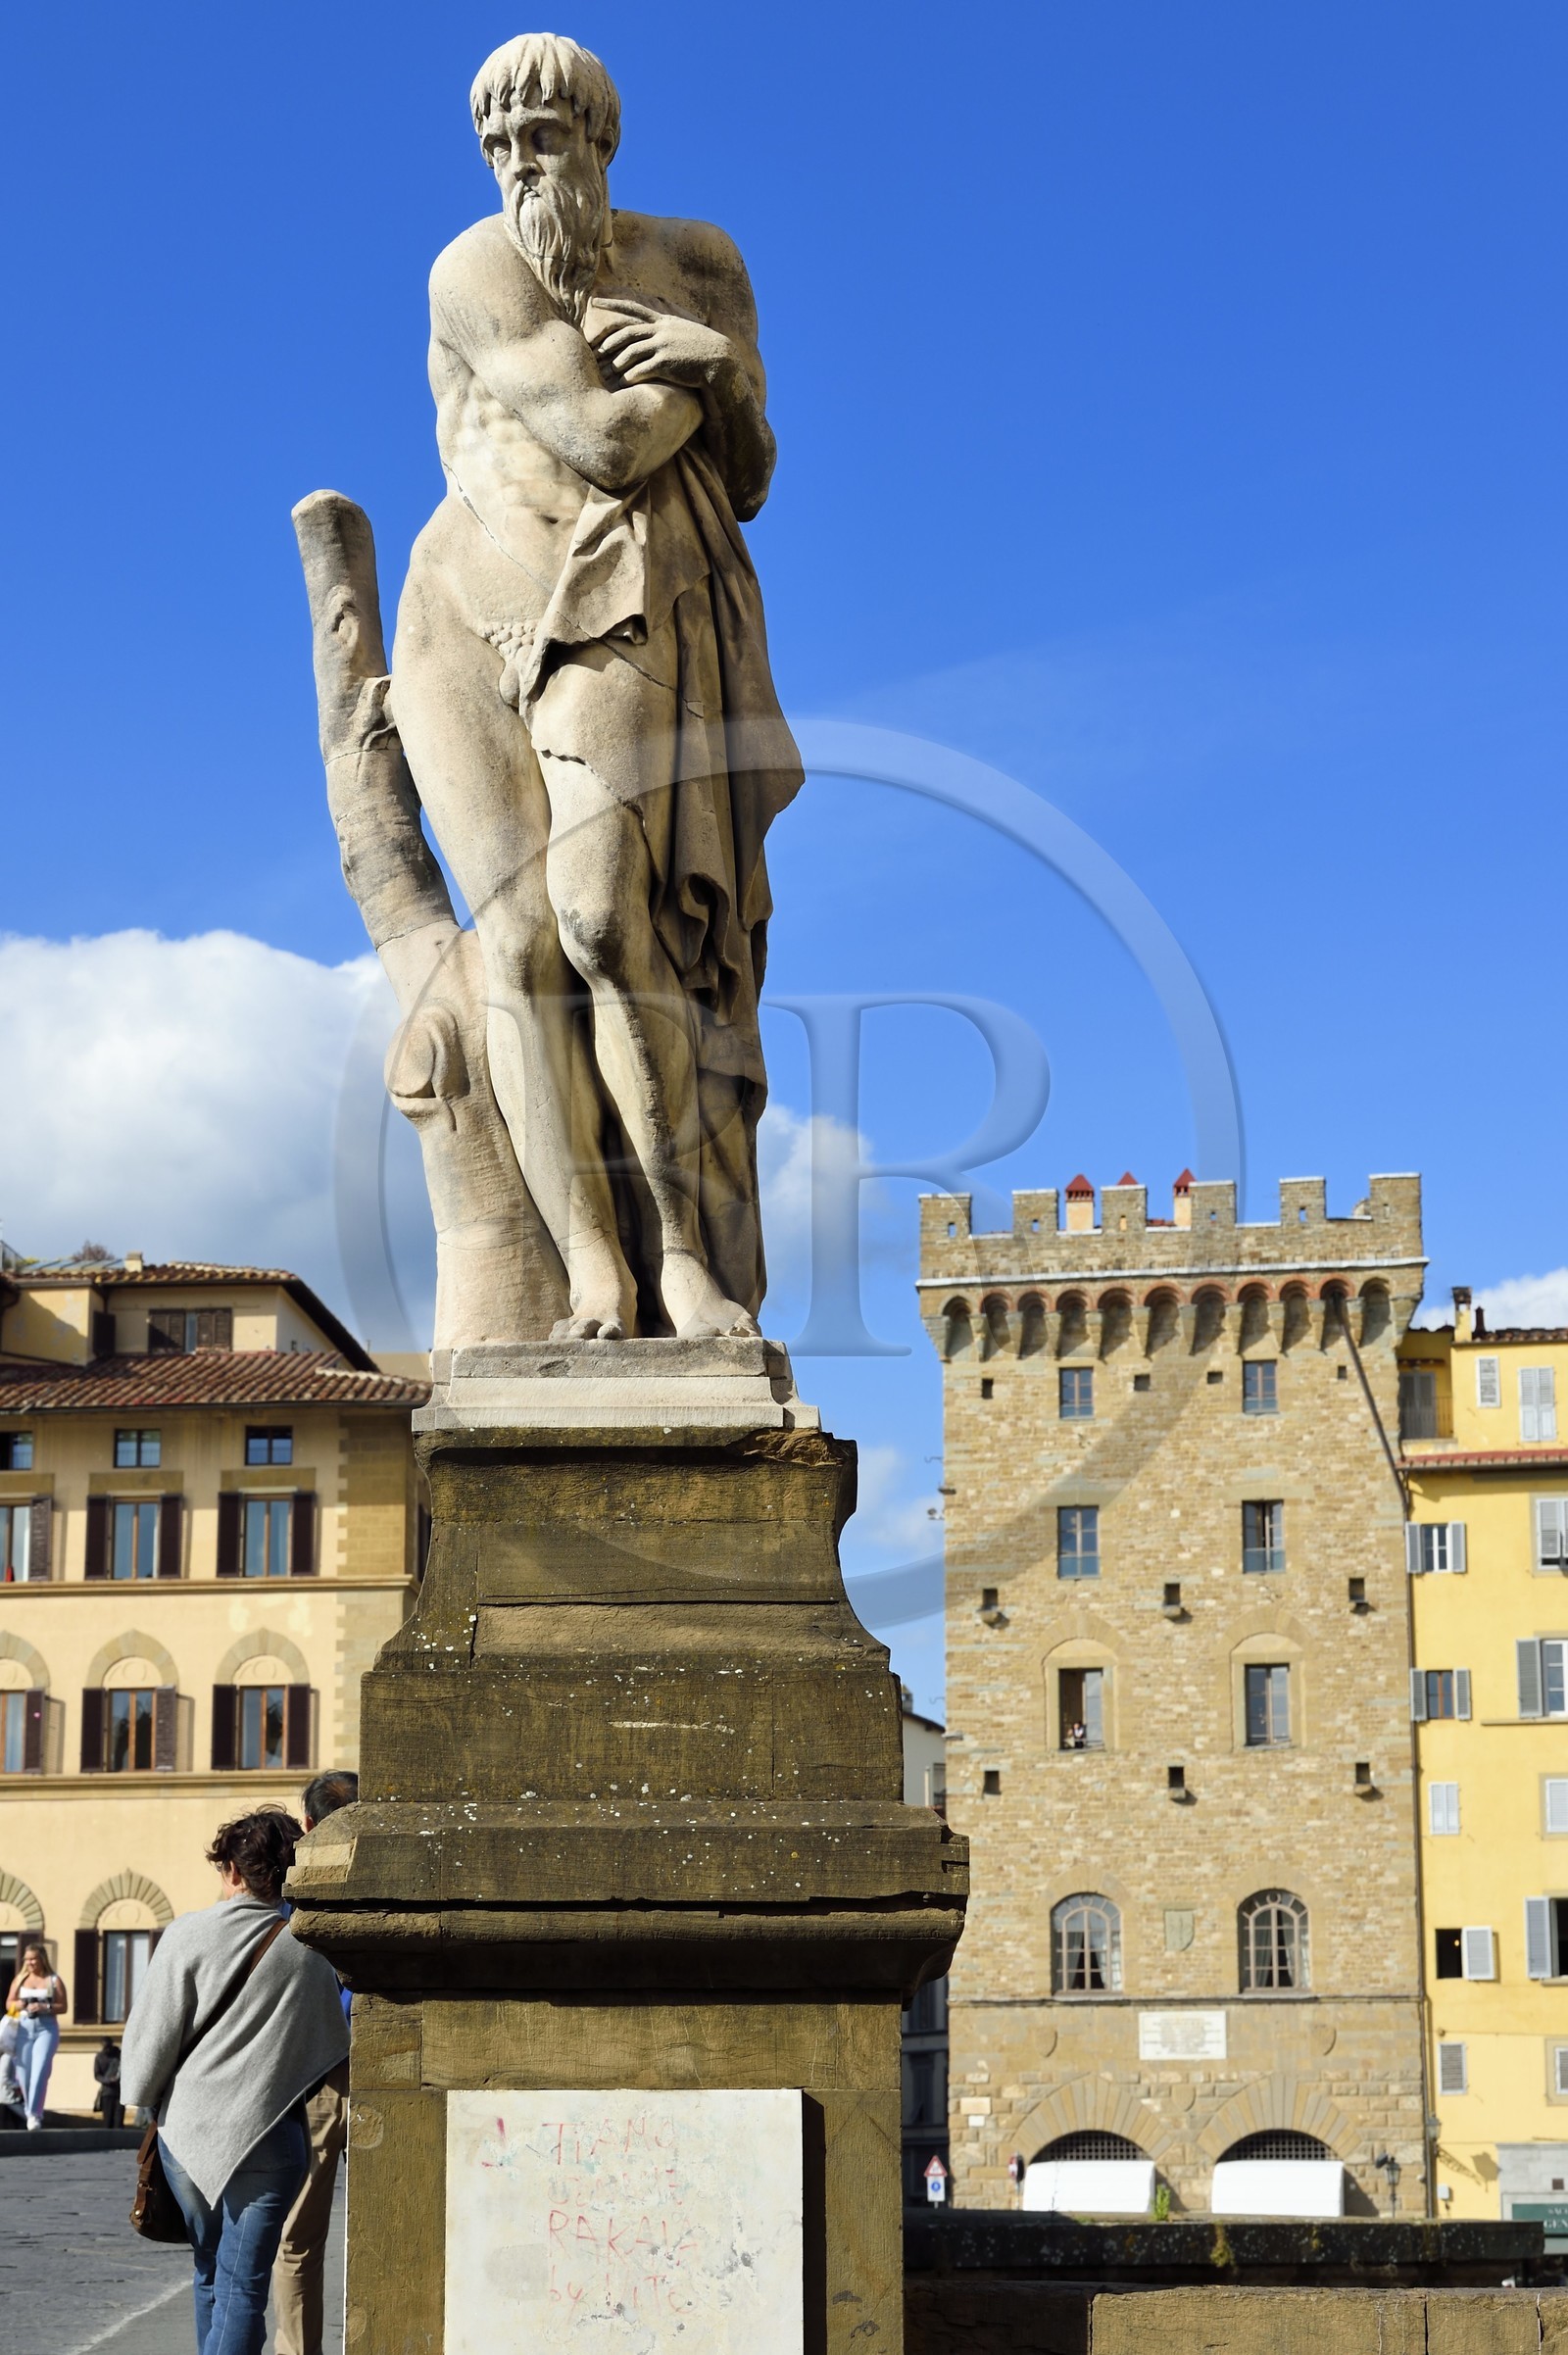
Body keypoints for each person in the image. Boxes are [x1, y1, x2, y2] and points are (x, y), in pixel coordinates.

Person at [122, 1809, 348, 2355]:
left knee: (208, 2267)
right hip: (271, 2133)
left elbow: (152, 2038)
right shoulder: (311, 1946)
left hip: (189, 2133)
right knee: (244, 2286)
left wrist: (140, 2099)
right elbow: (329, 2040)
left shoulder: (187, 1934)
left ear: (233, 1871)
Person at [271, 1770, 358, 2355]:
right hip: (392, 2060)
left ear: (307, 1824)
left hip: (315, 2077)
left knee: (298, 2241)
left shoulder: (287, 1893)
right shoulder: (395, 1868)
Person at [7, 1938, 66, 2130]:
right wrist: (21, 2004)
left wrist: (44, 2006)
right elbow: (9, 2004)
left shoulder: (54, 1980)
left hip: (46, 2028)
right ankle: (29, 2110)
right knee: (23, 2074)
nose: (30, 1963)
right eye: (27, 1959)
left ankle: (34, 2115)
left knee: (40, 2071)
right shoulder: (20, 1979)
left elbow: (63, 2006)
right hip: (23, 2027)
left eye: (33, 1959)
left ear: (42, 1959)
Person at [94, 2036, 124, 2130]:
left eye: (108, 2047)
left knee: (118, 2121)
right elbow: (97, 2075)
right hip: (107, 2092)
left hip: (120, 2092)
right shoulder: (99, 2057)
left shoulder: (119, 2055)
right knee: (107, 2121)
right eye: (105, 2047)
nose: (107, 2050)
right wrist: (108, 2080)